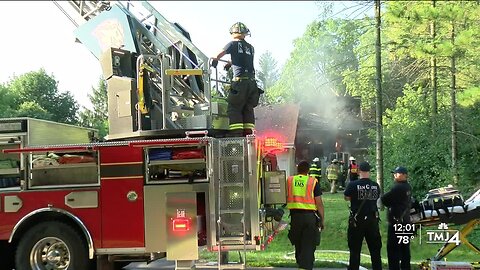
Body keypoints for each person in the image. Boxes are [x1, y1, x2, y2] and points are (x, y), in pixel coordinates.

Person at [211, 22, 260, 137]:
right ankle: (248, 135)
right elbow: (243, 58)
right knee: (247, 108)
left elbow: (218, 54)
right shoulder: (250, 47)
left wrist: (215, 60)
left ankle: (236, 135)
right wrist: (230, 63)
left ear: (233, 32)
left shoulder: (232, 44)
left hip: (240, 83)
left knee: (234, 107)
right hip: (252, 84)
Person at [287, 160, 325, 270]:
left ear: (297, 169)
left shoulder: (290, 180)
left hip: (295, 217)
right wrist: (322, 220)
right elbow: (319, 203)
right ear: (308, 170)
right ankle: (305, 267)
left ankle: (300, 264)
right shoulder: (312, 181)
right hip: (309, 217)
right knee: (308, 245)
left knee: (298, 243)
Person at [344, 161, 382, 270]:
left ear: (359, 171)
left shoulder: (353, 184)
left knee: (355, 249)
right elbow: (376, 198)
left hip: (357, 220)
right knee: (375, 250)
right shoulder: (375, 185)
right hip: (373, 220)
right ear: (369, 171)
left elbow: (346, 197)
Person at [381, 166, 412, 270]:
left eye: (397, 173)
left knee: (393, 250)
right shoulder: (408, 187)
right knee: (405, 249)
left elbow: (385, 199)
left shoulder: (398, 187)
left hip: (396, 223)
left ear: (404, 175)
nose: (394, 175)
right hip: (406, 222)